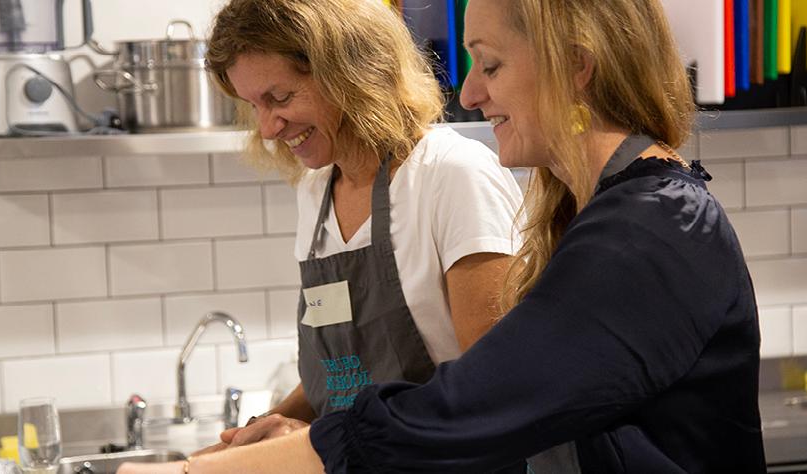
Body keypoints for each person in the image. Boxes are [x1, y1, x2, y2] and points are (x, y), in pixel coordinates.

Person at [119, 0, 767, 472]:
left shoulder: (651, 229)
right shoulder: (599, 213)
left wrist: (205, 470)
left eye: (490, 64)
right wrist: (292, 433)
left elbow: (475, 405)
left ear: (576, 67)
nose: (471, 93)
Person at [205, 0, 523, 454]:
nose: (268, 129)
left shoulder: (451, 174)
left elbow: (490, 383)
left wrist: (316, 441)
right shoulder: (316, 191)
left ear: (350, 74)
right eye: (254, 105)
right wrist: (260, 437)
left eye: (280, 98)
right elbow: (342, 377)